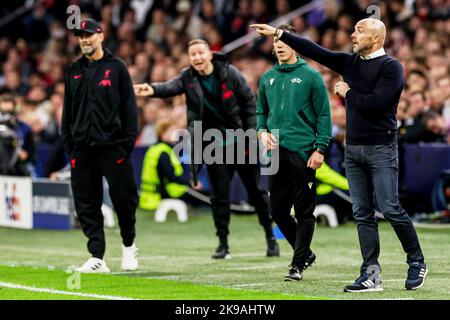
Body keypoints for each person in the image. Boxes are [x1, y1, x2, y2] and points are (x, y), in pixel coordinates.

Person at [251, 18, 428, 291]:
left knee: (390, 207)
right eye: (354, 29)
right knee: (362, 213)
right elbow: (315, 51)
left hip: (381, 148)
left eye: (360, 31)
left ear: (377, 38)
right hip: (353, 148)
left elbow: (378, 104)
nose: (352, 35)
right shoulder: (350, 63)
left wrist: (348, 93)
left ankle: (416, 261)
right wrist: (277, 33)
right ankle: (370, 273)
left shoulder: (391, 67)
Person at [134, 39, 280, 259]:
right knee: (219, 196)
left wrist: (253, 134)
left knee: (257, 193)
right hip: (213, 146)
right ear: (190, 58)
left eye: (201, 53)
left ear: (209, 54)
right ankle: (223, 244)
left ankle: (270, 238)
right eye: (193, 54)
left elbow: (251, 104)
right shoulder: (187, 77)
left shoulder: (230, 74)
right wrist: (152, 89)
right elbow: (170, 87)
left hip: (242, 143)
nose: (197, 58)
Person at [62, 19, 139, 273]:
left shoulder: (117, 67)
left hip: (113, 148)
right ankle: (97, 256)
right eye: (80, 37)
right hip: (82, 150)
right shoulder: (73, 70)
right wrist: (71, 150)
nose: (84, 40)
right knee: (87, 204)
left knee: (124, 201)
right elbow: (67, 114)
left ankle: (129, 246)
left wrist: (125, 146)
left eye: (89, 35)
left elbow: (130, 110)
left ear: (101, 36)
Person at [256, 25, 332, 281]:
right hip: (274, 153)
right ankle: (306, 253)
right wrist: (261, 131)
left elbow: (324, 115)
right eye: (275, 41)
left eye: (283, 41)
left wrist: (320, 148)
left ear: (294, 45)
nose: (278, 45)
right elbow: (261, 113)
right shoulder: (267, 78)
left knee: (304, 212)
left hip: (303, 152)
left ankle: (297, 265)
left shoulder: (312, 76)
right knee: (276, 211)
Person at [139, 118, 203, 211]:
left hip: (149, 198)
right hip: (164, 195)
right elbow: (172, 176)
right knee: (207, 197)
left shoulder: (156, 149)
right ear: (162, 133)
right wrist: (191, 183)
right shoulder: (163, 152)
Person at [0, 94, 36, 176]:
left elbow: (32, 152)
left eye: (9, 112)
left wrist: (26, 155)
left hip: (17, 169)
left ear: (15, 110)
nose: (7, 116)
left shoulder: (24, 128)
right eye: (3, 112)